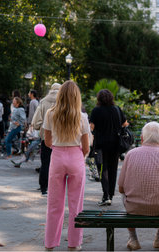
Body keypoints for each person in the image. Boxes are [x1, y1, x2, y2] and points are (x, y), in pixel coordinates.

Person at [118, 122, 159, 250]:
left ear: (142, 139)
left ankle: (133, 238)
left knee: (123, 195)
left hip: (134, 207)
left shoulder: (130, 155)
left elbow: (121, 189)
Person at [43, 80, 90, 251]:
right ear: (76, 97)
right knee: (76, 204)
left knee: (54, 203)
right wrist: (77, 154)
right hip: (75, 157)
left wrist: (59, 146)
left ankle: (50, 243)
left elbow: (47, 141)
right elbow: (86, 146)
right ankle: (74, 243)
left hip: (57, 156)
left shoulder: (50, 114)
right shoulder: (82, 117)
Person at [90, 89, 129, 206]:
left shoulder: (96, 111)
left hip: (101, 145)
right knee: (113, 169)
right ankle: (111, 195)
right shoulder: (116, 109)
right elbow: (125, 123)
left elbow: (91, 127)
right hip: (115, 144)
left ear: (99, 99)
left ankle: (106, 195)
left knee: (103, 170)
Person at [32, 83, 61, 196]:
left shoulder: (43, 101)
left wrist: (42, 128)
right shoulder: (64, 101)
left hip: (46, 137)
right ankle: (57, 188)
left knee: (45, 162)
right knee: (59, 164)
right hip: (61, 138)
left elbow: (35, 122)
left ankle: (43, 187)